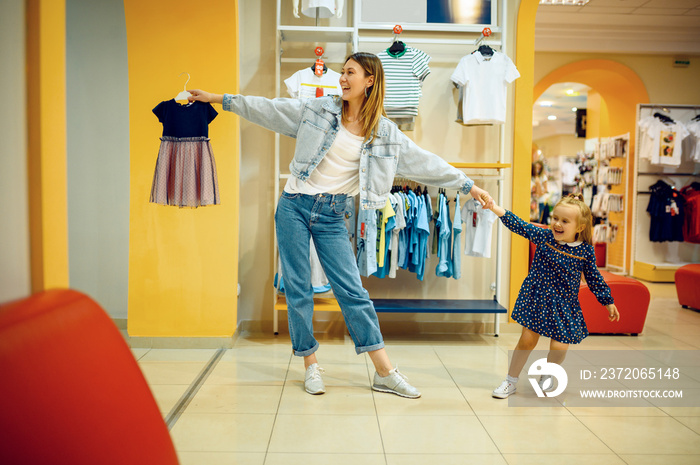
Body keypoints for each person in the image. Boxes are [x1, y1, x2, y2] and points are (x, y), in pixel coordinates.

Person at [187, 52, 494, 398]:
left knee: (352, 292)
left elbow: (428, 163)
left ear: (370, 80)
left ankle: (384, 372)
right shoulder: (317, 110)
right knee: (298, 289)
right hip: (293, 208)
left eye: (350, 73)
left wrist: (470, 186)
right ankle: (311, 365)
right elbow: (268, 109)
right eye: (343, 73)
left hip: (333, 215)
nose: (342, 78)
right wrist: (218, 99)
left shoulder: (386, 134)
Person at [487, 193, 620, 399]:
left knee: (559, 346)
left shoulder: (585, 252)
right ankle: (510, 381)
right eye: (555, 218)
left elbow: (594, 278)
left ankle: (547, 374)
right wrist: (495, 207)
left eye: (564, 221)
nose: (557, 224)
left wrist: (608, 301)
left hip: (564, 304)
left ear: (579, 228)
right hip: (537, 299)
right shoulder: (545, 236)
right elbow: (519, 225)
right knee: (527, 341)